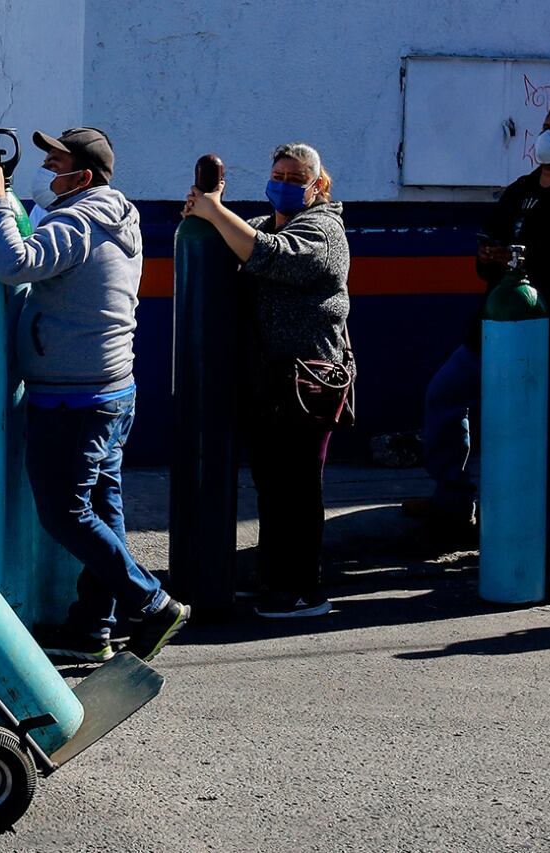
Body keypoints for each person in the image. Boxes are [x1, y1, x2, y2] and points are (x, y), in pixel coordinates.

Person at [0, 127, 190, 662]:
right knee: (101, 506)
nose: (47, 172)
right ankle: (94, 626)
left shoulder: (78, 219)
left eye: (56, 164)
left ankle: (153, 602)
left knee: (64, 513)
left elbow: (15, 264)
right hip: (109, 391)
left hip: (75, 398)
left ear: (84, 176)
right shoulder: (115, 213)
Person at [405, 100, 550, 537]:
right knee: (444, 396)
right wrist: (489, 257)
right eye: (545, 126)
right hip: (494, 327)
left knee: (532, 430)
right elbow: (490, 248)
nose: (546, 136)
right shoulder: (521, 190)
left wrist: (529, 263)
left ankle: (524, 518)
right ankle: (453, 500)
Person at [184, 142, 350, 618]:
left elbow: (272, 256)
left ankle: (303, 589)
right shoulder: (264, 224)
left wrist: (214, 210)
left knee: (297, 488)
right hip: (267, 385)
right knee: (273, 487)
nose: (283, 184)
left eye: (296, 179)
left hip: (305, 384)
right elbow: (229, 244)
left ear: (318, 186)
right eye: (278, 173)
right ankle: (276, 576)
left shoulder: (324, 231)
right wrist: (203, 215)